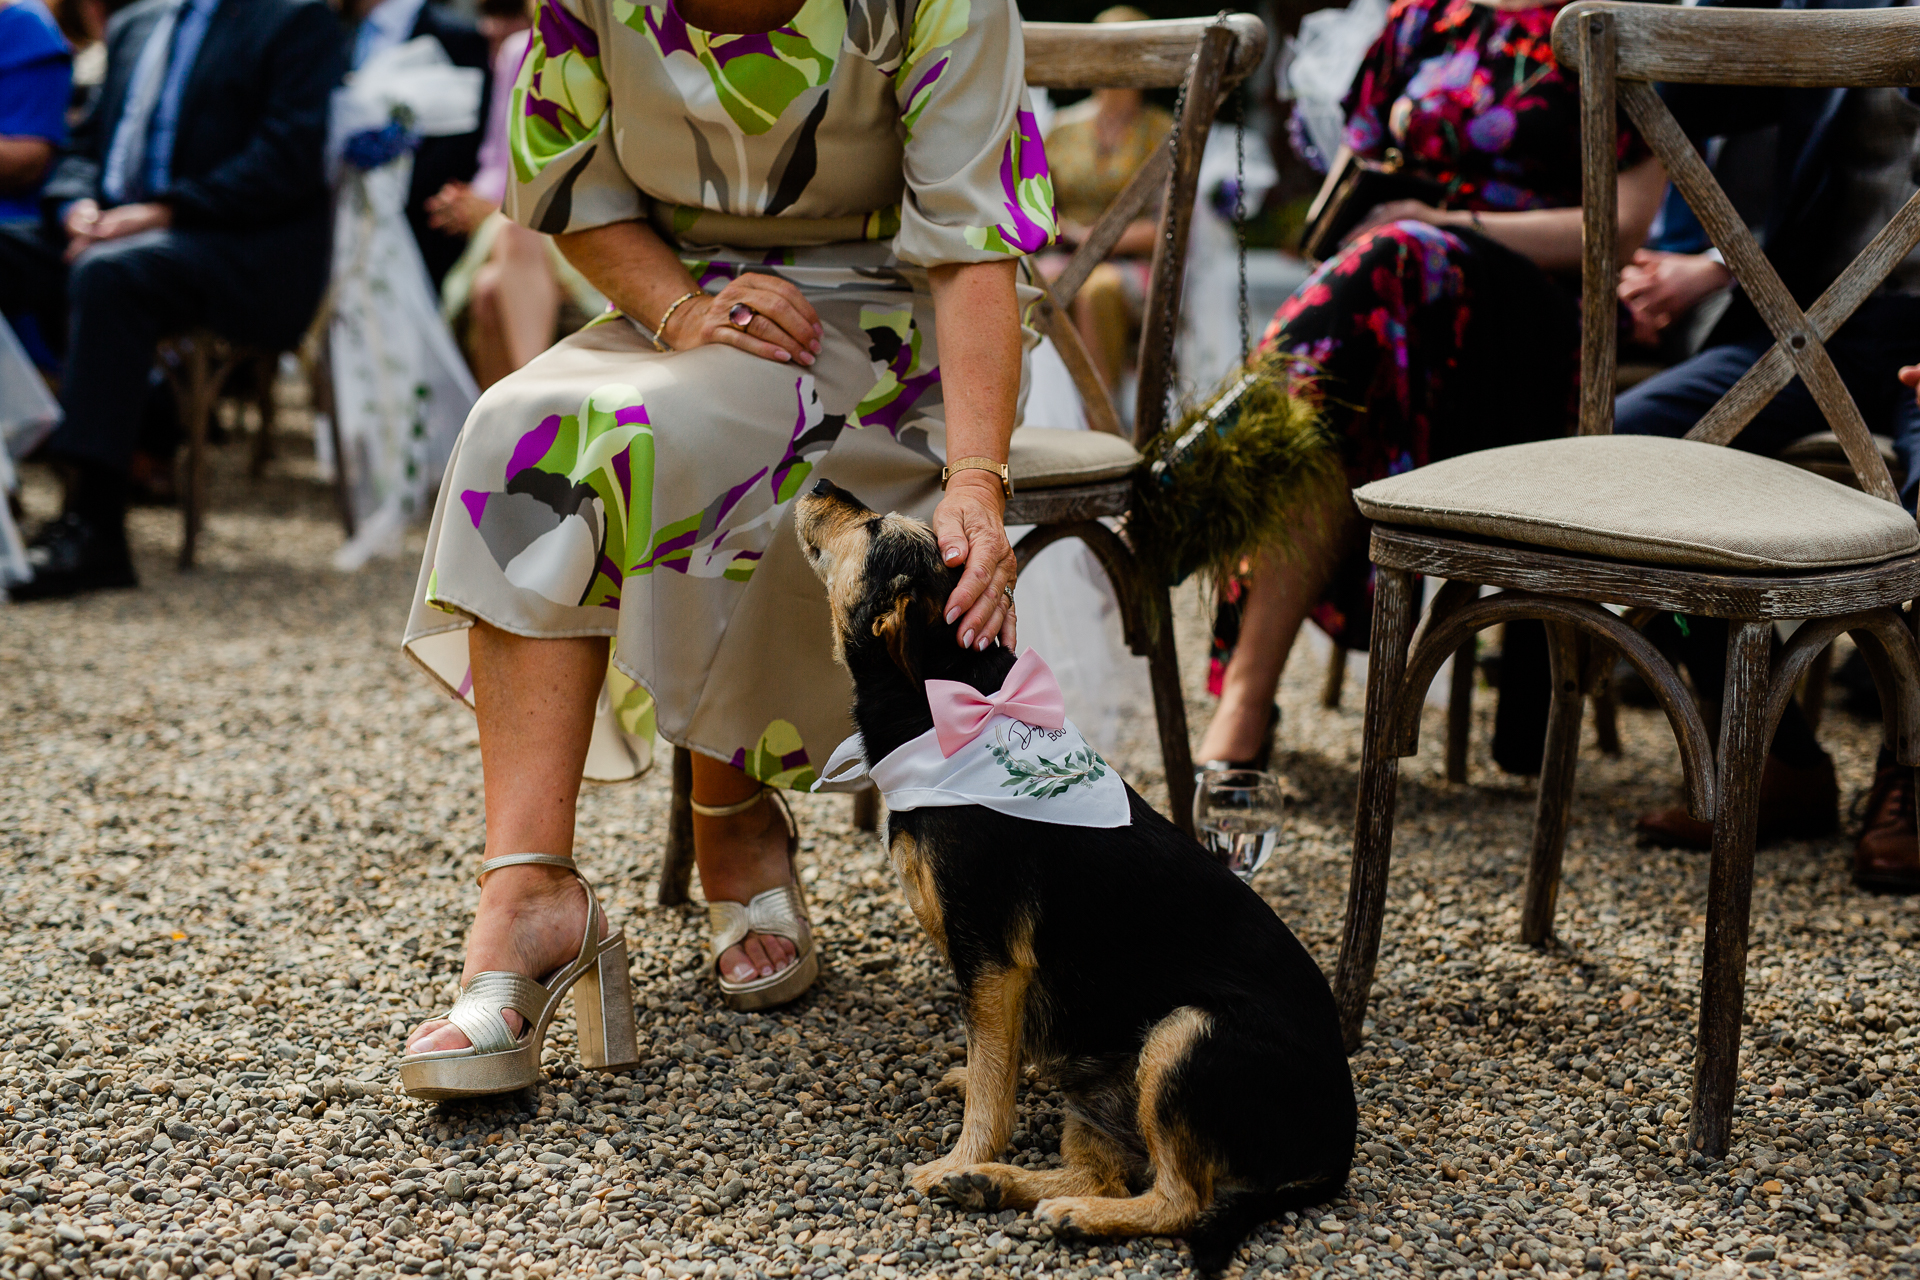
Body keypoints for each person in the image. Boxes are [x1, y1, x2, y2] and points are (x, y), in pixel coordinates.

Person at [395, 0, 1052, 1090]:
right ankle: (528, 894)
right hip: (684, 306)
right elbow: (572, 191)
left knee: (699, 434)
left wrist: (979, 475)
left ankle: (729, 807)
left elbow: (975, 249)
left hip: (899, 329)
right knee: (517, 429)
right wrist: (683, 311)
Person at [1194, 0, 1665, 768]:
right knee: (1336, 393)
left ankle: (1215, 458)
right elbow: (1363, 169)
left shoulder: (1608, 26)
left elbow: (1618, 229)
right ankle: (1245, 706)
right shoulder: (1425, 21)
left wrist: (1445, 222)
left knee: (1399, 257)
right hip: (1396, 313)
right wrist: (1398, 219)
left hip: (1535, 324)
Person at [1612, 0, 1920, 894]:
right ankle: (1770, 745)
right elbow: (1680, 89)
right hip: (1805, 325)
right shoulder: (1828, 2)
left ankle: (1911, 765)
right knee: (1629, 460)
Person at [0, 0, 344, 600]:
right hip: (113, 236)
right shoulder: (139, 23)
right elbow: (82, 147)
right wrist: (75, 206)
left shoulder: (295, 18)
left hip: (237, 247)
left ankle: (95, 525)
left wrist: (162, 211)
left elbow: (284, 158)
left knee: (111, 278)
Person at [428, 0, 606, 389]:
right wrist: (471, 201)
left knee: (489, 291)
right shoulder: (518, 52)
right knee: (517, 229)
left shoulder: (624, 50)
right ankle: (531, 398)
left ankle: (515, 412)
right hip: (520, 221)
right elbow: (498, 159)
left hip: (590, 219)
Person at [1039, 3, 1170, 394]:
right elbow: (1035, 207)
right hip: (1064, 251)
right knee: (1034, 284)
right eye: (1104, 54)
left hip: (1131, 261)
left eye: (1124, 55)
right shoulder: (1061, 128)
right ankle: (1041, 411)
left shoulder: (1164, 130)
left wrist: (1098, 238)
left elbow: (1170, 224)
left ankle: (1102, 417)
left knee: (1099, 290)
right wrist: (1070, 234)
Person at [336, 0, 490, 287]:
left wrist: (386, 188)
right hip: (347, 218)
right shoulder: (339, 31)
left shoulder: (456, 34)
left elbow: (464, 142)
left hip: (424, 227)